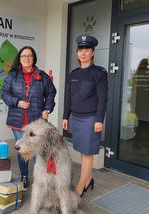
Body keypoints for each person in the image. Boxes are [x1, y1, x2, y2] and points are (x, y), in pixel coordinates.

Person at [1, 46, 57, 189]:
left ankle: (41, 179)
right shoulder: (12, 75)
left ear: (34, 58)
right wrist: (17, 102)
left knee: (40, 152)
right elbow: (4, 93)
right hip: (17, 122)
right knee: (23, 151)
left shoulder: (42, 76)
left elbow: (51, 93)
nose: (26, 58)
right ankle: (25, 176)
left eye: (29, 56)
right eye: (23, 56)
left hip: (36, 123)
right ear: (19, 59)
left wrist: (47, 108)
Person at [62, 35, 108, 197]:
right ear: (77, 53)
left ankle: (81, 185)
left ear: (92, 52)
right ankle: (89, 178)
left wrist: (99, 120)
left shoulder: (99, 73)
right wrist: (65, 116)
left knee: (87, 152)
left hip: (90, 119)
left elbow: (103, 99)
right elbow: (69, 97)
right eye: (80, 50)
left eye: (87, 50)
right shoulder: (73, 73)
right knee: (82, 150)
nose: (83, 53)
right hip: (76, 117)